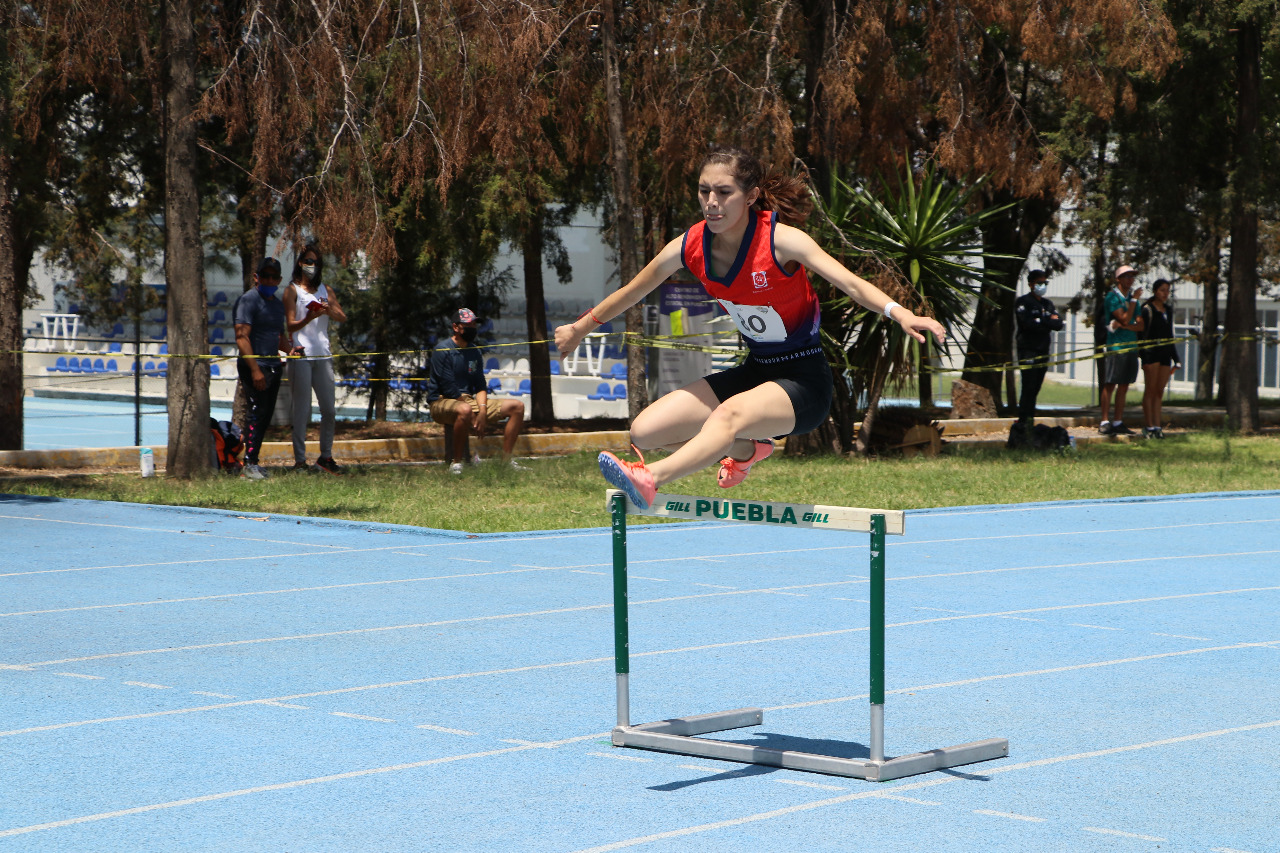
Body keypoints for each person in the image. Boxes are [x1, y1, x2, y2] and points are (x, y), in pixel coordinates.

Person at [554, 146, 945, 510]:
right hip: (755, 372)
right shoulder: (689, 245)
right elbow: (632, 290)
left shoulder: (783, 242)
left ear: (751, 195)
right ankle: (746, 450)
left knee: (728, 415)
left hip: (803, 382)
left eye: (724, 192)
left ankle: (650, 478)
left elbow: (852, 284)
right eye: (704, 191)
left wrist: (901, 313)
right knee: (645, 431)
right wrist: (580, 328)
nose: (711, 202)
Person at [427, 308, 528, 473]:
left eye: (474, 324)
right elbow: (448, 387)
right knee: (465, 409)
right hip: (441, 400)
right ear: (456, 327)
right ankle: (457, 463)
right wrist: (473, 414)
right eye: (468, 324)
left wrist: (482, 411)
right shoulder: (442, 350)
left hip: (468, 401)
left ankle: (506, 461)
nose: (472, 328)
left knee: (517, 407)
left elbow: (480, 386)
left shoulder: (474, 351)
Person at [283, 244, 347, 473]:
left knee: (329, 409)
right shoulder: (292, 291)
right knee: (301, 410)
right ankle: (300, 460)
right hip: (301, 355)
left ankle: (325, 457)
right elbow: (290, 324)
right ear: (300, 263)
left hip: (323, 354)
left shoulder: (325, 289)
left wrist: (327, 309)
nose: (312, 266)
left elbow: (342, 317)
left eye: (316, 263)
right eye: (309, 261)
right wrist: (309, 316)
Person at [234, 257, 299, 480]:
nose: (269, 280)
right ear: (256, 278)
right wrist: (255, 370)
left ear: (279, 279)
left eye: (274, 277)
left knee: (264, 416)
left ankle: (254, 461)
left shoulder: (277, 304)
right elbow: (242, 337)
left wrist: (289, 349)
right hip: (256, 366)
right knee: (256, 414)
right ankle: (249, 464)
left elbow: (278, 335)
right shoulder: (248, 301)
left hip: (273, 366)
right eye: (265, 276)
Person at [1099, 264, 1144, 436]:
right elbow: (1125, 318)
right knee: (1110, 384)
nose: (1130, 279)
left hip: (1131, 347)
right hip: (1116, 348)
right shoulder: (1112, 297)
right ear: (1118, 279)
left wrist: (1125, 325)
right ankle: (1104, 421)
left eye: (1132, 276)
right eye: (1126, 276)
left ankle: (1118, 421)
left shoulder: (1134, 300)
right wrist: (1132, 303)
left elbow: (1140, 326)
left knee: (1124, 385)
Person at [1014, 269, 1065, 423]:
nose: (1042, 286)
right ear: (1031, 284)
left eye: (1045, 283)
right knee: (1028, 386)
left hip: (1043, 350)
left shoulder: (1047, 303)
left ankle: (1029, 418)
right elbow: (1027, 324)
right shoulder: (1023, 302)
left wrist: (1041, 320)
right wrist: (1046, 320)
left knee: (1036, 387)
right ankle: (1024, 420)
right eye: (1039, 283)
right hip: (1028, 350)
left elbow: (1058, 324)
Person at [1138, 278, 1179, 439]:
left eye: (1167, 291)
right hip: (1151, 354)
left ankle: (1157, 426)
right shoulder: (1146, 309)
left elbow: (1170, 335)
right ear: (1155, 291)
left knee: (1159, 392)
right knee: (1150, 390)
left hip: (1165, 355)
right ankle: (1148, 426)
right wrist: (1143, 357)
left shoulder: (1168, 310)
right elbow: (1141, 335)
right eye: (1162, 290)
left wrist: (1176, 358)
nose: (1165, 294)